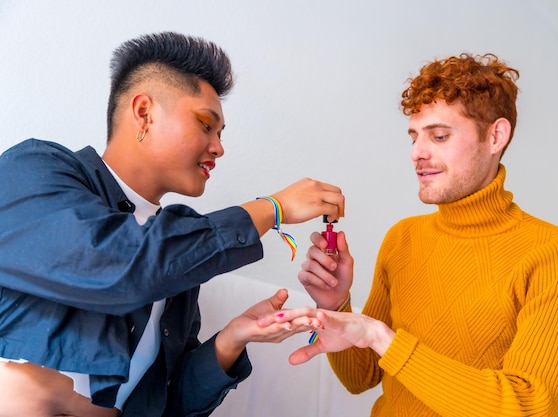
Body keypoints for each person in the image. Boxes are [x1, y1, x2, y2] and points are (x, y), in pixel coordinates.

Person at [0, 32, 341, 417]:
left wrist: (231, 340)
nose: (218, 147)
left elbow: (167, 405)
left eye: (220, 133)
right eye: (205, 124)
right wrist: (271, 209)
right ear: (144, 112)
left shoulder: (178, 259)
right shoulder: (35, 170)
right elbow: (117, 268)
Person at [262, 53, 558, 416]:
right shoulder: (402, 238)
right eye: (414, 137)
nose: (417, 153)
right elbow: (362, 378)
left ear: (496, 136)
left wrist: (380, 336)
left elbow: (527, 406)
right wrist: (336, 302)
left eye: (439, 135)